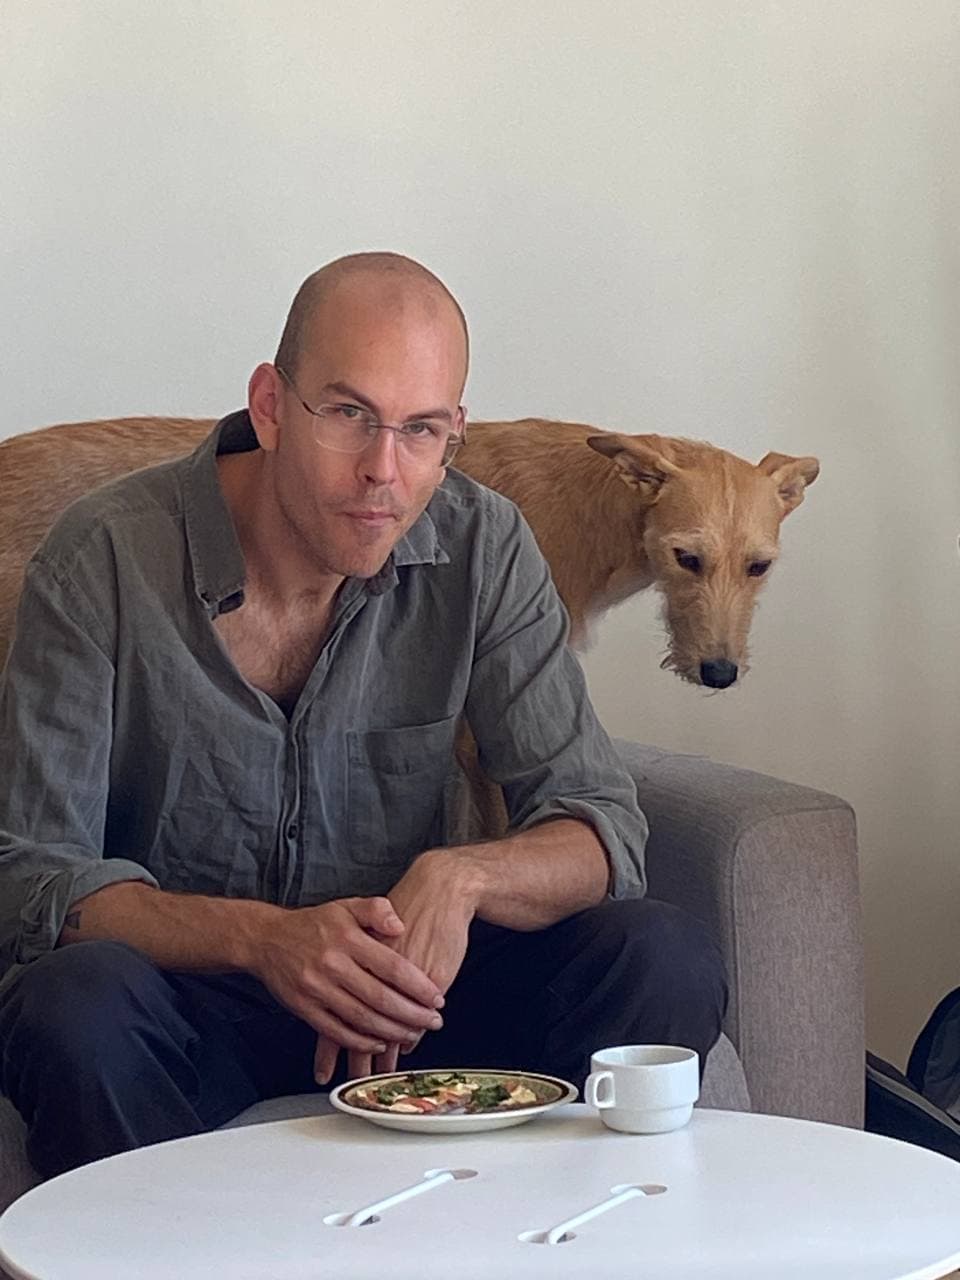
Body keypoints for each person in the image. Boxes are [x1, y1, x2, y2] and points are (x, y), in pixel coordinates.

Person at [0, 253, 727, 1177]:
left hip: (415, 999)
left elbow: (601, 827)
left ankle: (543, 1233)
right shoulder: (102, 555)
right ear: (270, 406)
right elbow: (36, 878)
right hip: (194, 992)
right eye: (349, 415)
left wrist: (460, 879)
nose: (384, 470)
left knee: (661, 955)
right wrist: (265, 941)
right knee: (71, 1006)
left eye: (421, 429)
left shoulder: (485, 544)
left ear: (453, 433)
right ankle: (179, 1241)